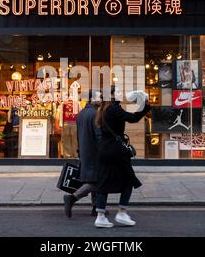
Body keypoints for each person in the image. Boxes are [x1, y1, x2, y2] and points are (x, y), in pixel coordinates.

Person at [93, 86, 151, 228]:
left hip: (104, 150)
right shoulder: (114, 108)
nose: (121, 94)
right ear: (111, 96)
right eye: (118, 92)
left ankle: (100, 217)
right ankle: (121, 212)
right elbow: (132, 118)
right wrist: (145, 106)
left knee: (104, 182)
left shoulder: (103, 109)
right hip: (116, 151)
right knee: (128, 180)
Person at [63, 89, 102, 218]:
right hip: (95, 152)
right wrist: (104, 149)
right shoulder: (96, 114)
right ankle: (72, 198)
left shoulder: (81, 113)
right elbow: (98, 135)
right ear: (91, 99)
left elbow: (78, 134)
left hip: (85, 151)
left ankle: (96, 208)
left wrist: (80, 150)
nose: (101, 99)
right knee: (97, 181)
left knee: (94, 179)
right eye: (98, 97)